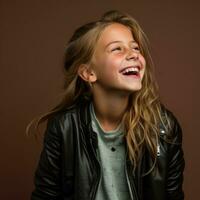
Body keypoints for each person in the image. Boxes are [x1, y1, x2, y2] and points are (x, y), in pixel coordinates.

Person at [29, 10, 185, 200]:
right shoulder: (64, 127)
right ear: (88, 73)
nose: (133, 55)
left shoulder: (164, 127)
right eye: (117, 49)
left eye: (135, 48)